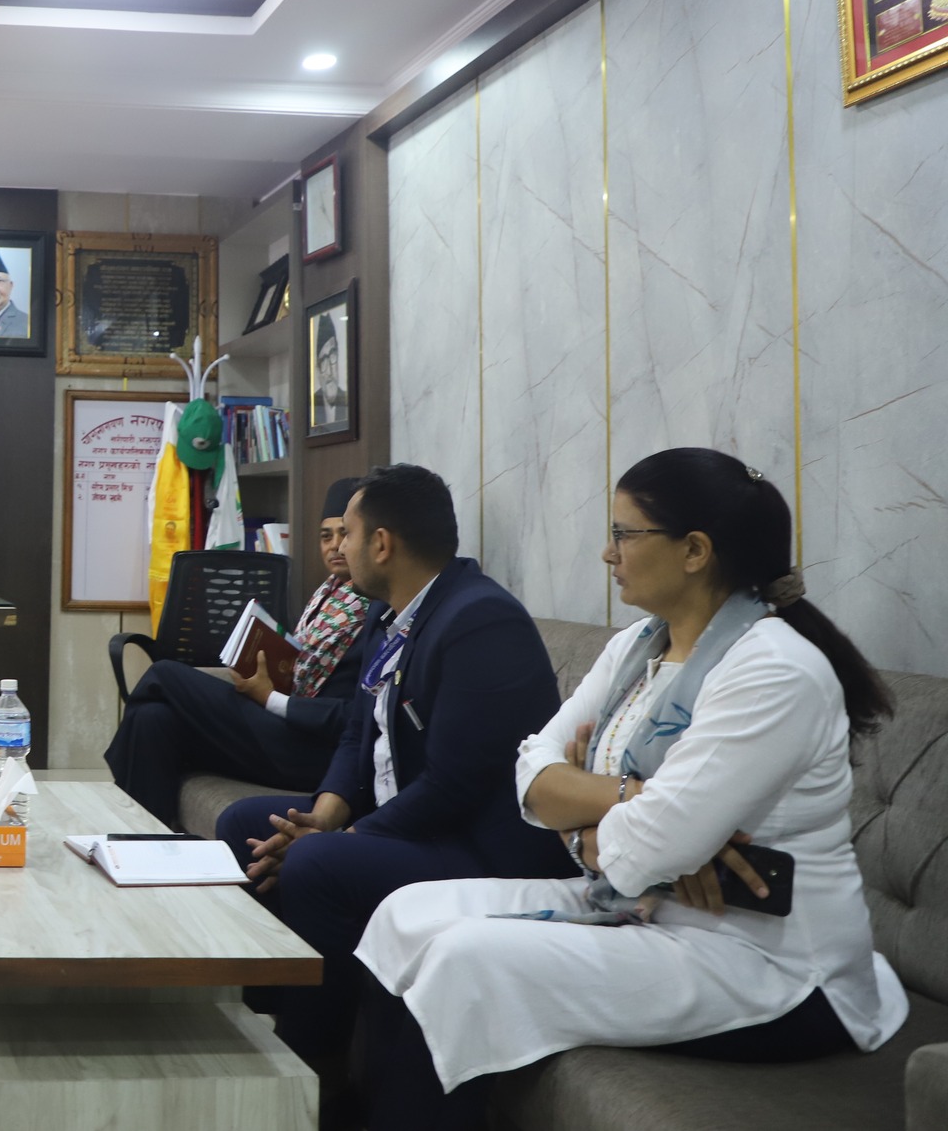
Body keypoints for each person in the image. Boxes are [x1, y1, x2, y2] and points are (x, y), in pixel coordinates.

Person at [350, 448, 904, 1130]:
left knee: (465, 961)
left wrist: (591, 816)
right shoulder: (638, 646)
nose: (607, 552)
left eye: (623, 533)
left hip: (768, 963)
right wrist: (638, 800)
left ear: (694, 550)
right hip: (639, 905)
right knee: (403, 913)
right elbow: (531, 771)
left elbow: (642, 850)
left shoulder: (773, 670)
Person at [213, 463, 574, 1077]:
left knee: (316, 861)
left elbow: (455, 784)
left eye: (348, 534)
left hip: (476, 846)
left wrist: (346, 836)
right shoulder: (389, 614)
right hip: (410, 819)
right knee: (244, 825)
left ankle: (315, 1066)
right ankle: (258, 1018)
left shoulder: (480, 621)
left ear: (382, 543)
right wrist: (324, 813)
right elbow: (360, 731)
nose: (340, 548)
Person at [104, 478, 376, 826]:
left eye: (346, 534)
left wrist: (272, 699)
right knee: (152, 718)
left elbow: (354, 717)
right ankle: (144, 841)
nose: (337, 545)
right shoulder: (329, 596)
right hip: (285, 724)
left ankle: (111, 779)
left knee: (163, 673)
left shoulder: (378, 611)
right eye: (326, 536)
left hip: (315, 751)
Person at [312, 316, 347, 428]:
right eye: (323, 361)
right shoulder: (309, 407)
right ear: (317, 371)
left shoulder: (349, 401)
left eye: (332, 356)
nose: (329, 371)